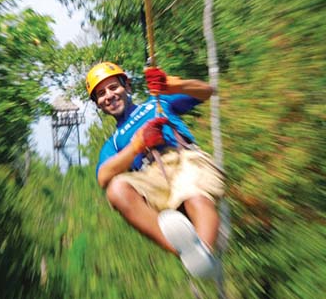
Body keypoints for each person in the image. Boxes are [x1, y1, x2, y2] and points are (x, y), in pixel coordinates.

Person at [86, 61, 225, 278]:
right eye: (101, 94)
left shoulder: (156, 102)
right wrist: (136, 146)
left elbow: (206, 91)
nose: (109, 95)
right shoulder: (113, 143)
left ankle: (204, 252)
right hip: (152, 176)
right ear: (98, 104)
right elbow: (103, 176)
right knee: (116, 189)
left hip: (183, 158)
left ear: (127, 87)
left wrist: (174, 85)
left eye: (114, 87)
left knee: (193, 196)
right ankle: (187, 254)